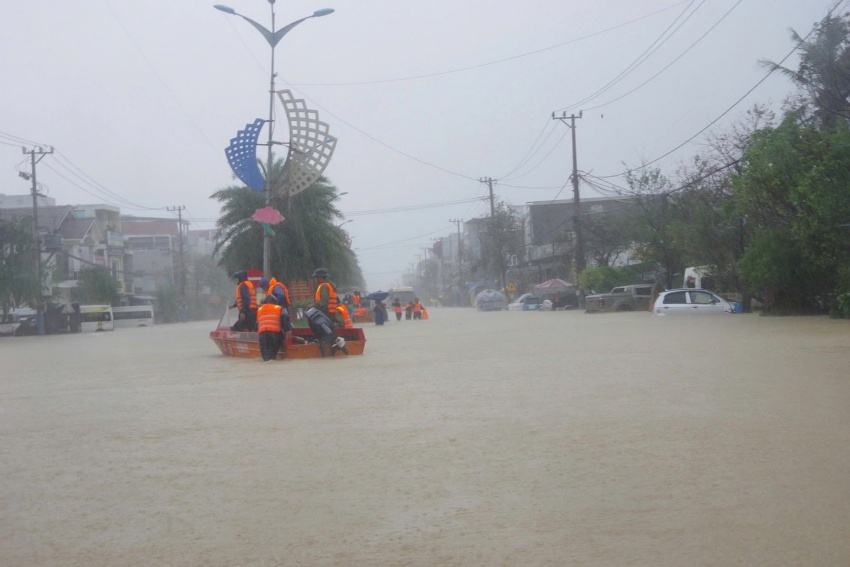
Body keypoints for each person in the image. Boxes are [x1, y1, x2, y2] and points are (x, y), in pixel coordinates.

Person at [256, 295, 285, 361]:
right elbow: (285, 322)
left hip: (262, 335)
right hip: (274, 335)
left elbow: (257, 323)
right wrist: (287, 331)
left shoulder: (259, 310)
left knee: (265, 358)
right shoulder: (279, 308)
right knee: (272, 356)